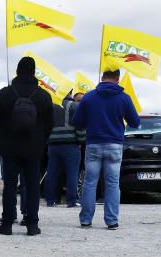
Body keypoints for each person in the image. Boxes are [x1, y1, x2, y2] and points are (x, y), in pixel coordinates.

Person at [0, 56, 54, 236]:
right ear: (34, 72)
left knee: (9, 185)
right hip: (34, 148)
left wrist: (1, 135)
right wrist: (41, 140)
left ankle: (7, 223)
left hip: (10, 147)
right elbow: (50, 124)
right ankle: (32, 224)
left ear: (17, 71)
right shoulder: (43, 95)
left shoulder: (5, 93)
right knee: (33, 185)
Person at [72, 70, 140, 229]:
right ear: (117, 78)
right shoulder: (124, 97)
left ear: (102, 78)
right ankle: (111, 221)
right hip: (115, 144)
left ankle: (86, 219)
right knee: (112, 183)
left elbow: (78, 122)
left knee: (89, 182)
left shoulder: (89, 97)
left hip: (94, 143)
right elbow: (135, 122)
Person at [44, 94, 82, 208]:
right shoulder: (73, 106)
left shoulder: (51, 106)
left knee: (51, 172)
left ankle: (50, 200)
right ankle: (71, 200)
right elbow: (80, 125)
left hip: (53, 145)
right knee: (72, 173)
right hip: (71, 144)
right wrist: (81, 140)